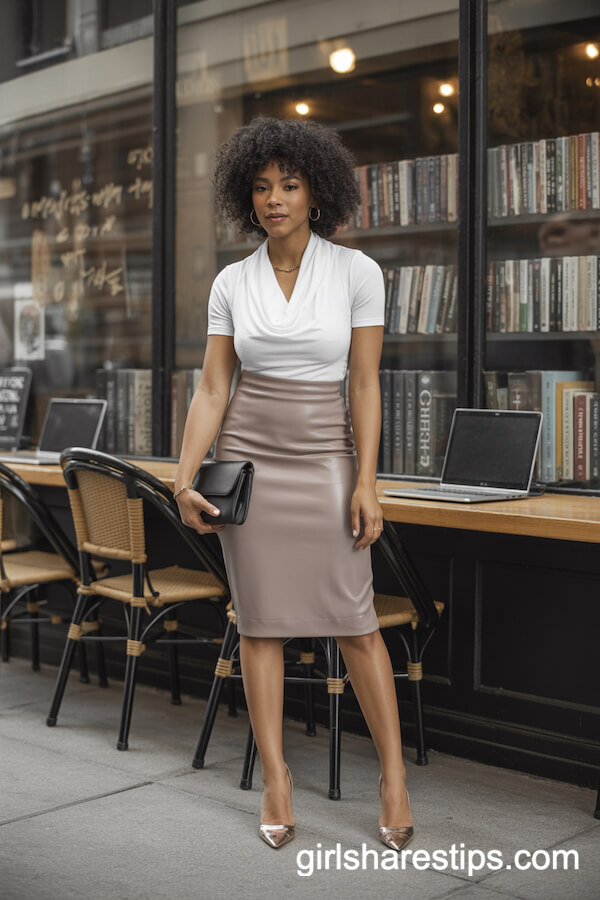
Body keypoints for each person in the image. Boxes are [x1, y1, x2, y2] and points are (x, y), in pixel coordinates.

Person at [175, 115, 413, 852]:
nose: (275, 198)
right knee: (261, 622)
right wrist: (183, 481)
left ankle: (394, 778)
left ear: (317, 191)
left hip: (325, 455)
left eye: (290, 183)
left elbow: (366, 384)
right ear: (247, 198)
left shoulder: (356, 272)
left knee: (357, 624)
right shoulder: (231, 281)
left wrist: (366, 481)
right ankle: (276, 778)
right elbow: (214, 387)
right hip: (251, 459)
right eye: (261, 186)